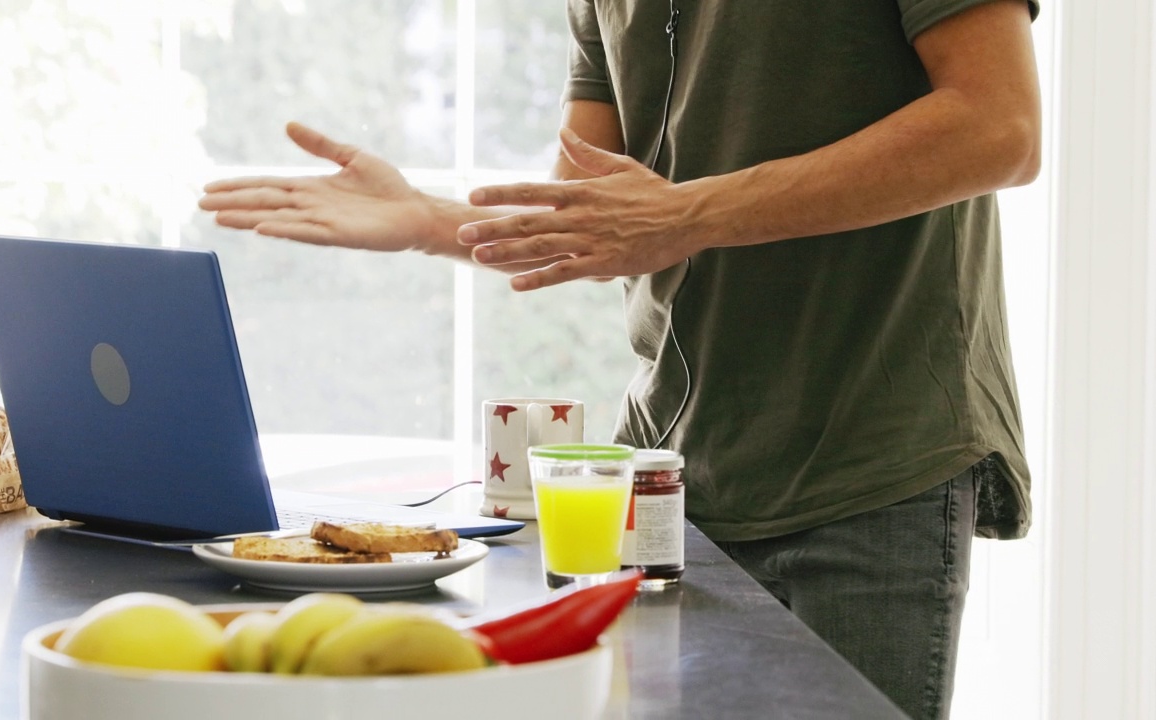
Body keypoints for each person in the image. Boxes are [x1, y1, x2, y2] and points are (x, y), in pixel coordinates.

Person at [199, 1, 1041, 717]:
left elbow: (999, 126)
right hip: (671, 476)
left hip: (872, 458)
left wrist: (686, 215)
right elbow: (591, 219)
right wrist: (428, 222)